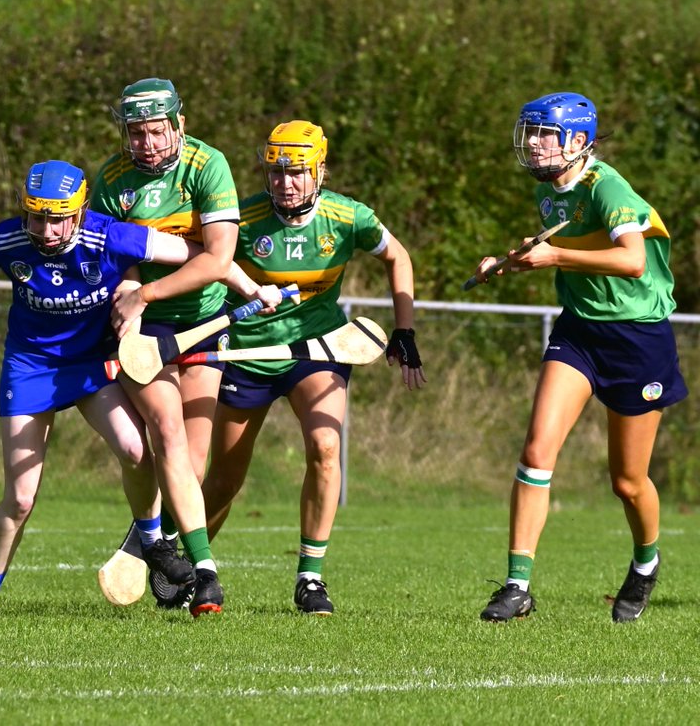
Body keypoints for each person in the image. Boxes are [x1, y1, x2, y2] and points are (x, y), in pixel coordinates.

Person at [0, 160, 275, 614]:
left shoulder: (109, 235)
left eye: (58, 218)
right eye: (38, 217)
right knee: (19, 497)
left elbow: (204, 258)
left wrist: (252, 288)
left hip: (92, 367)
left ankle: (152, 540)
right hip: (31, 369)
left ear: (79, 212)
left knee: (137, 451)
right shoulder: (10, 238)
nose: (48, 229)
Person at [474, 92, 687, 623]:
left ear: (578, 142)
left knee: (627, 481)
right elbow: (566, 248)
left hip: (637, 339)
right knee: (536, 451)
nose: (534, 144)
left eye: (546, 134)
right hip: (579, 334)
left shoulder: (607, 187)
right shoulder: (551, 193)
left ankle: (645, 563)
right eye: (532, 133)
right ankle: (517, 586)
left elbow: (633, 260)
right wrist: (514, 262)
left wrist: (553, 257)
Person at [199, 120, 425, 616]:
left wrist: (404, 329)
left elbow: (398, 256)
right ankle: (191, 567)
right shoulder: (245, 218)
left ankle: (310, 577)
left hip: (317, 349)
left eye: (297, 172)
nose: (286, 182)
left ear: (320, 170)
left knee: (326, 447)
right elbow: (208, 264)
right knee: (226, 477)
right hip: (249, 354)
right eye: (277, 171)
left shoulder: (347, 216)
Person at [94, 77, 240, 616]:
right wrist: (132, 294)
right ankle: (205, 575)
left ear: (178, 124)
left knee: (191, 467)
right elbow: (120, 262)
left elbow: (218, 258)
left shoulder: (208, 165)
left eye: (157, 131)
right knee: (168, 433)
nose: (148, 143)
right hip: (147, 328)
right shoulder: (111, 179)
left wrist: (146, 291)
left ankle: (147, 539)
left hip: (204, 322)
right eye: (137, 133)